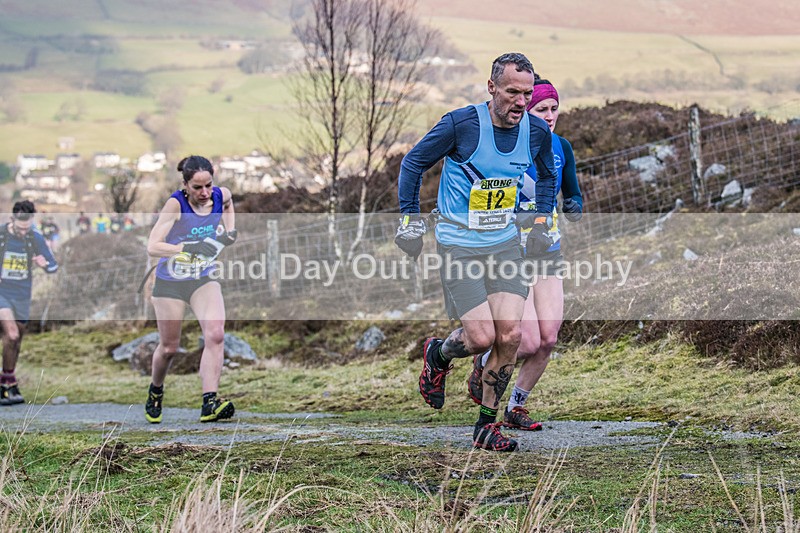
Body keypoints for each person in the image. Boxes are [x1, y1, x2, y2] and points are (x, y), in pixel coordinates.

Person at [396, 53, 558, 452]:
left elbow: (548, 175)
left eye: (527, 94)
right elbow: (413, 163)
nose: (521, 102)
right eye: (512, 92)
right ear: (491, 87)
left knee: (511, 335)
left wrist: (540, 222)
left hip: (504, 243)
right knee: (482, 337)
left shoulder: (536, 131)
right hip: (459, 245)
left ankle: (486, 425)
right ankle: (438, 354)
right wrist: (410, 220)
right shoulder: (462, 124)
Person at [467, 76, 583, 430]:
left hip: (547, 252)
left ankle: (516, 406)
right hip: (511, 254)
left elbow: (572, 192)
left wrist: (575, 205)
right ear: (525, 112)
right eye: (541, 109)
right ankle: (483, 364)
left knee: (547, 339)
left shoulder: (561, 146)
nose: (549, 116)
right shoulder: (506, 148)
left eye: (554, 108)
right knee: (527, 341)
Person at [144, 155, 238, 423]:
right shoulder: (176, 205)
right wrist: (186, 247)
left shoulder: (220, 195)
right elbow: (153, 246)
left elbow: (229, 203)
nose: (205, 193)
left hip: (202, 278)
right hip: (170, 283)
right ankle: (156, 390)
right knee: (169, 348)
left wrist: (229, 231)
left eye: (208, 185)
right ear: (185, 185)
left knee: (216, 334)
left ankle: (210, 402)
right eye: (197, 187)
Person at [0, 200, 58, 405]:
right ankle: (5, 384)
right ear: (12, 219)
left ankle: (9, 381)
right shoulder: (2, 235)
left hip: (23, 295)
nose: (23, 232)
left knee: (16, 341)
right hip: (2, 293)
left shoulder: (35, 237)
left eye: (27, 228)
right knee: (11, 334)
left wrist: (44, 265)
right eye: (20, 228)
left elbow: (53, 265)